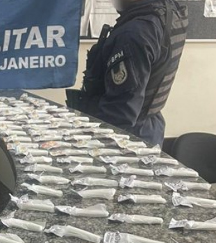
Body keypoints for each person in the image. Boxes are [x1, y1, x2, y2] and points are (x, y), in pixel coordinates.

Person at [67, 0, 188, 146]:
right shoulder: (172, 11)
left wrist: (89, 140)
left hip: (125, 135)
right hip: (150, 126)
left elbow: (120, 111)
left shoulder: (134, 33)